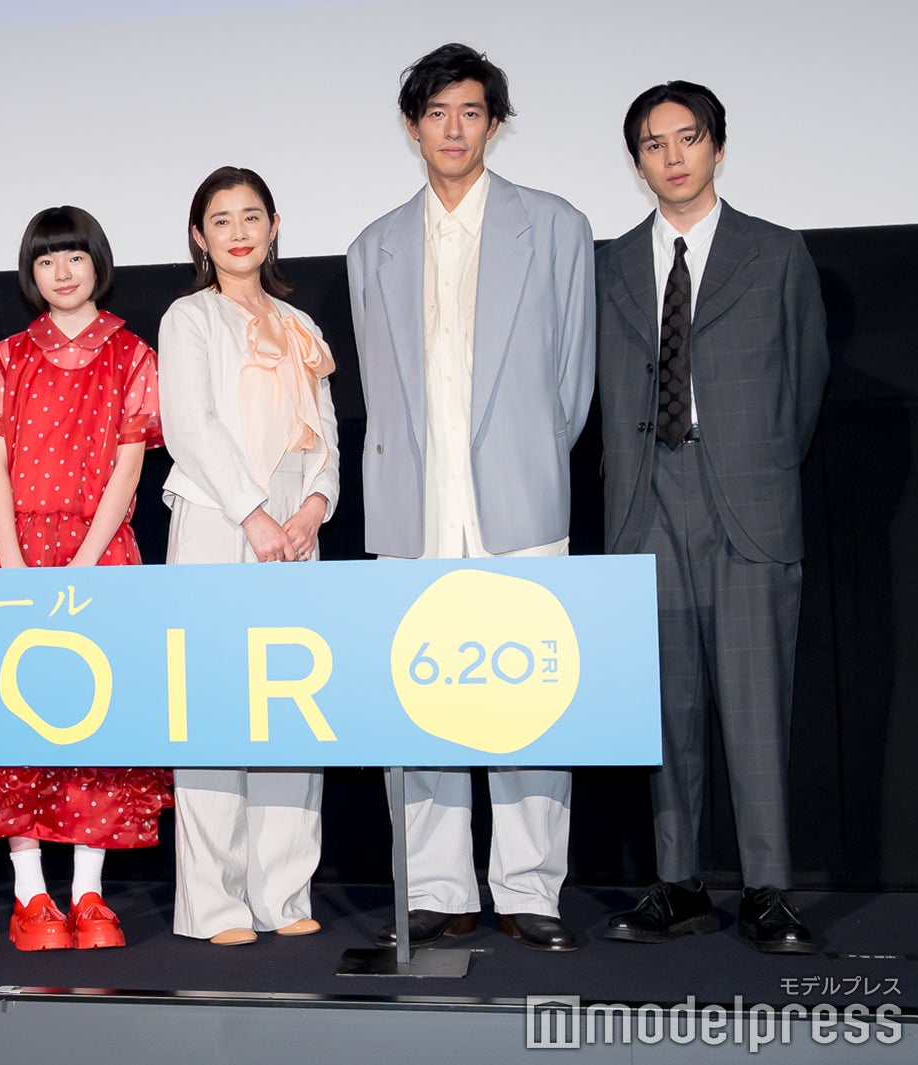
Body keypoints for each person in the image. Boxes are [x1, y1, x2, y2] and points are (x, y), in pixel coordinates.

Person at [346, 43, 594, 952]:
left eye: (472, 111)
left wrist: (526, 457)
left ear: (495, 123)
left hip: (519, 503)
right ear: (412, 126)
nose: (454, 129)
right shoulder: (373, 246)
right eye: (437, 113)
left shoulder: (556, 226)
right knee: (418, 703)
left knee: (532, 699)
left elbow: (572, 384)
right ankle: (436, 887)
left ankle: (530, 886)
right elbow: (380, 391)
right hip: (412, 509)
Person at [598, 82, 828, 954]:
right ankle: (680, 883)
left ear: (717, 147)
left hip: (746, 501)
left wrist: (756, 462)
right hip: (645, 501)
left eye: (688, 137)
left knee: (757, 706)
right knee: (665, 709)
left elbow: (805, 378)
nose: (673, 156)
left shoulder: (775, 252)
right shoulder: (612, 263)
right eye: (654, 144)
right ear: (638, 162)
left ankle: (769, 890)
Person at [0, 206, 172, 951]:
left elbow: (129, 468)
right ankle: (30, 895)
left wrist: (83, 565)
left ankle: (89, 892)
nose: (62, 273)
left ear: (97, 262)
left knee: (97, 718)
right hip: (13, 553)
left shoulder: (133, 354)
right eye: (45, 260)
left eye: (74, 257)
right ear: (30, 274)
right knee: (13, 720)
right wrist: (14, 566)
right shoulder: (6, 357)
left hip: (102, 555)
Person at [159, 167, 340, 946]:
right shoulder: (189, 317)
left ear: (273, 227)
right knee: (212, 709)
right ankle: (215, 904)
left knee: (291, 707)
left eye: (252, 216)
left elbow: (326, 431)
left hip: (294, 533)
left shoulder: (299, 323)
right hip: (216, 521)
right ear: (199, 236)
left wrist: (314, 505)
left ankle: (284, 892)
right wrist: (252, 513)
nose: (239, 231)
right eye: (221, 219)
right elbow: (189, 424)